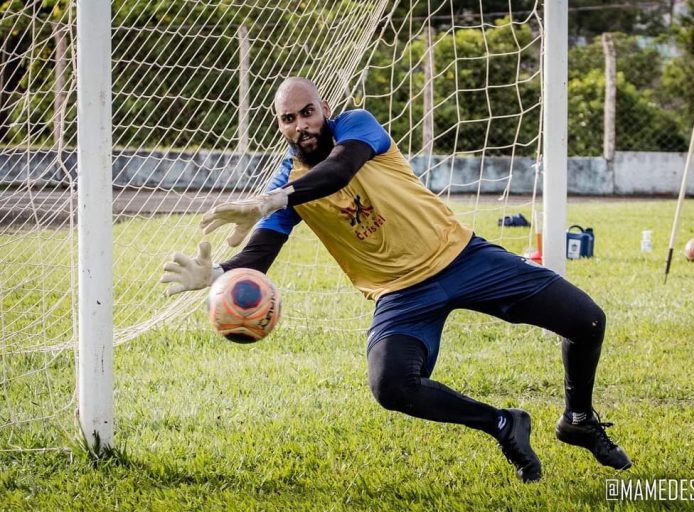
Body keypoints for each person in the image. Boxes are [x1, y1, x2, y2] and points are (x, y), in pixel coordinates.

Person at [160, 77, 631, 482]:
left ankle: (578, 419)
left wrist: (268, 201)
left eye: (308, 112)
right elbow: (263, 249)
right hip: (401, 295)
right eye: (288, 119)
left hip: (463, 257)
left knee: (587, 320)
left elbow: (339, 169)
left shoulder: (356, 126)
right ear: (279, 125)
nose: (301, 125)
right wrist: (220, 272)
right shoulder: (288, 181)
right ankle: (504, 424)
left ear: (326, 109)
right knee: (391, 386)